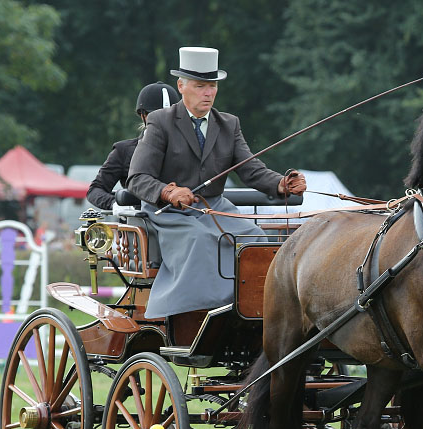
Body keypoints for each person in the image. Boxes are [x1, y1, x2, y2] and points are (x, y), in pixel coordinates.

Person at [127, 46, 306, 319]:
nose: (208, 93)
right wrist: (168, 191)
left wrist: (281, 184)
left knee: (255, 238)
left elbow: (250, 168)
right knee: (198, 239)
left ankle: (256, 309)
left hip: (216, 208)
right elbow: (137, 178)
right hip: (171, 214)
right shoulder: (160, 123)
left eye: (212, 86)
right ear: (182, 86)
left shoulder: (228, 124)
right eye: (200, 86)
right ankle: (198, 314)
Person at [87, 82, 181, 210]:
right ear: (143, 115)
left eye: (169, 116)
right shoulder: (123, 151)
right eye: (156, 116)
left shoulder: (189, 148)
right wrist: (114, 203)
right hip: (140, 221)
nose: (163, 121)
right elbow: (96, 190)